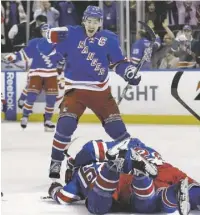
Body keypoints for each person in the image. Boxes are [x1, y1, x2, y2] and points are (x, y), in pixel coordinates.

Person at [37, 6, 142, 180]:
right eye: (89, 21)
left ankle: (130, 163)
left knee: (119, 132)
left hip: (101, 92)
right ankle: (55, 161)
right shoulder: (69, 34)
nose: (92, 25)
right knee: (65, 126)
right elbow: (47, 50)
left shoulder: (109, 39)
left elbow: (118, 63)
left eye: (95, 21)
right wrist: (48, 37)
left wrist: (129, 72)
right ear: (83, 21)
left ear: (101, 22)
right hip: (75, 90)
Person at [48, 137, 200, 215]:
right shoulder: (137, 145)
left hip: (122, 179)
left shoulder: (80, 172)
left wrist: (54, 189)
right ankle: (174, 191)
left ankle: (117, 170)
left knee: (98, 208)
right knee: (190, 189)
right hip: (163, 167)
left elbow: (63, 196)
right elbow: (93, 148)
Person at [4, 24, 65, 131]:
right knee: (31, 95)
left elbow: (61, 59)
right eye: (44, 31)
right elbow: (23, 54)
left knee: (51, 99)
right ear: (41, 32)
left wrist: (61, 63)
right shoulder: (35, 43)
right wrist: (13, 56)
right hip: (36, 73)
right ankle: (25, 116)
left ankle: (47, 121)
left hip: (51, 74)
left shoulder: (57, 44)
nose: (46, 33)